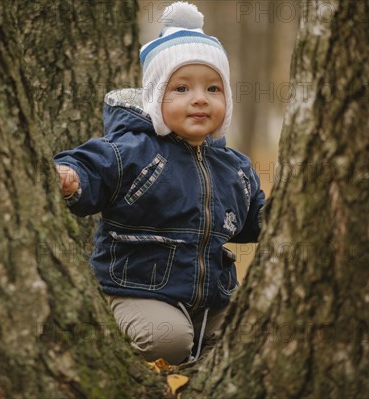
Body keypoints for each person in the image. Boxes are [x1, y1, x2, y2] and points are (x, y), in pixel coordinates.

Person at [53, 1, 265, 365]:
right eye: (181, 89)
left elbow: (251, 220)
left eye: (213, 89)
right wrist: (72, 179)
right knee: (167, 341)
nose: (199, 98)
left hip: (213, 296)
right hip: (139, 291)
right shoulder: (134, 149)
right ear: (156, 97)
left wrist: (275, 214)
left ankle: (199, 372)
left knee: (248, 339)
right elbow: (93, 167)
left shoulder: (235, 167)